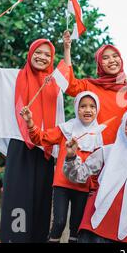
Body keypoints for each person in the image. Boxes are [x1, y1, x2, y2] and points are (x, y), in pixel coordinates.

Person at [0, 20, 65, 242]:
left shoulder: (55, 86)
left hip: (43, 151)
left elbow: (58, 124)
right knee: (18, 200)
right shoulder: (12, 77)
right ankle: (15, 239)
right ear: (31, 53)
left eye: (47, 54)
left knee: (41, 204)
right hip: (19, 146)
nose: (42, 57)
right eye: (38, 52)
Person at [20, 91, 104, 243]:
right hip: (62, 185)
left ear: (97, 110)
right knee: (59, 222)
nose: (87, 110)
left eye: (92, 106)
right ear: (76, 108)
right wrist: (30, 122)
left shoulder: (98, 136)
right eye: (83, 106)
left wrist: (94, 188)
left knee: (76, 227)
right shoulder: (66, 129)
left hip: (83, 188)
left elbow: (96, 168)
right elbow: (41, 138)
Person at [63, 108, 127, 243]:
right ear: (122, 126)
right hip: (95, 225)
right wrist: (71, 156)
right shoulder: (108, 151)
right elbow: (78, 175)